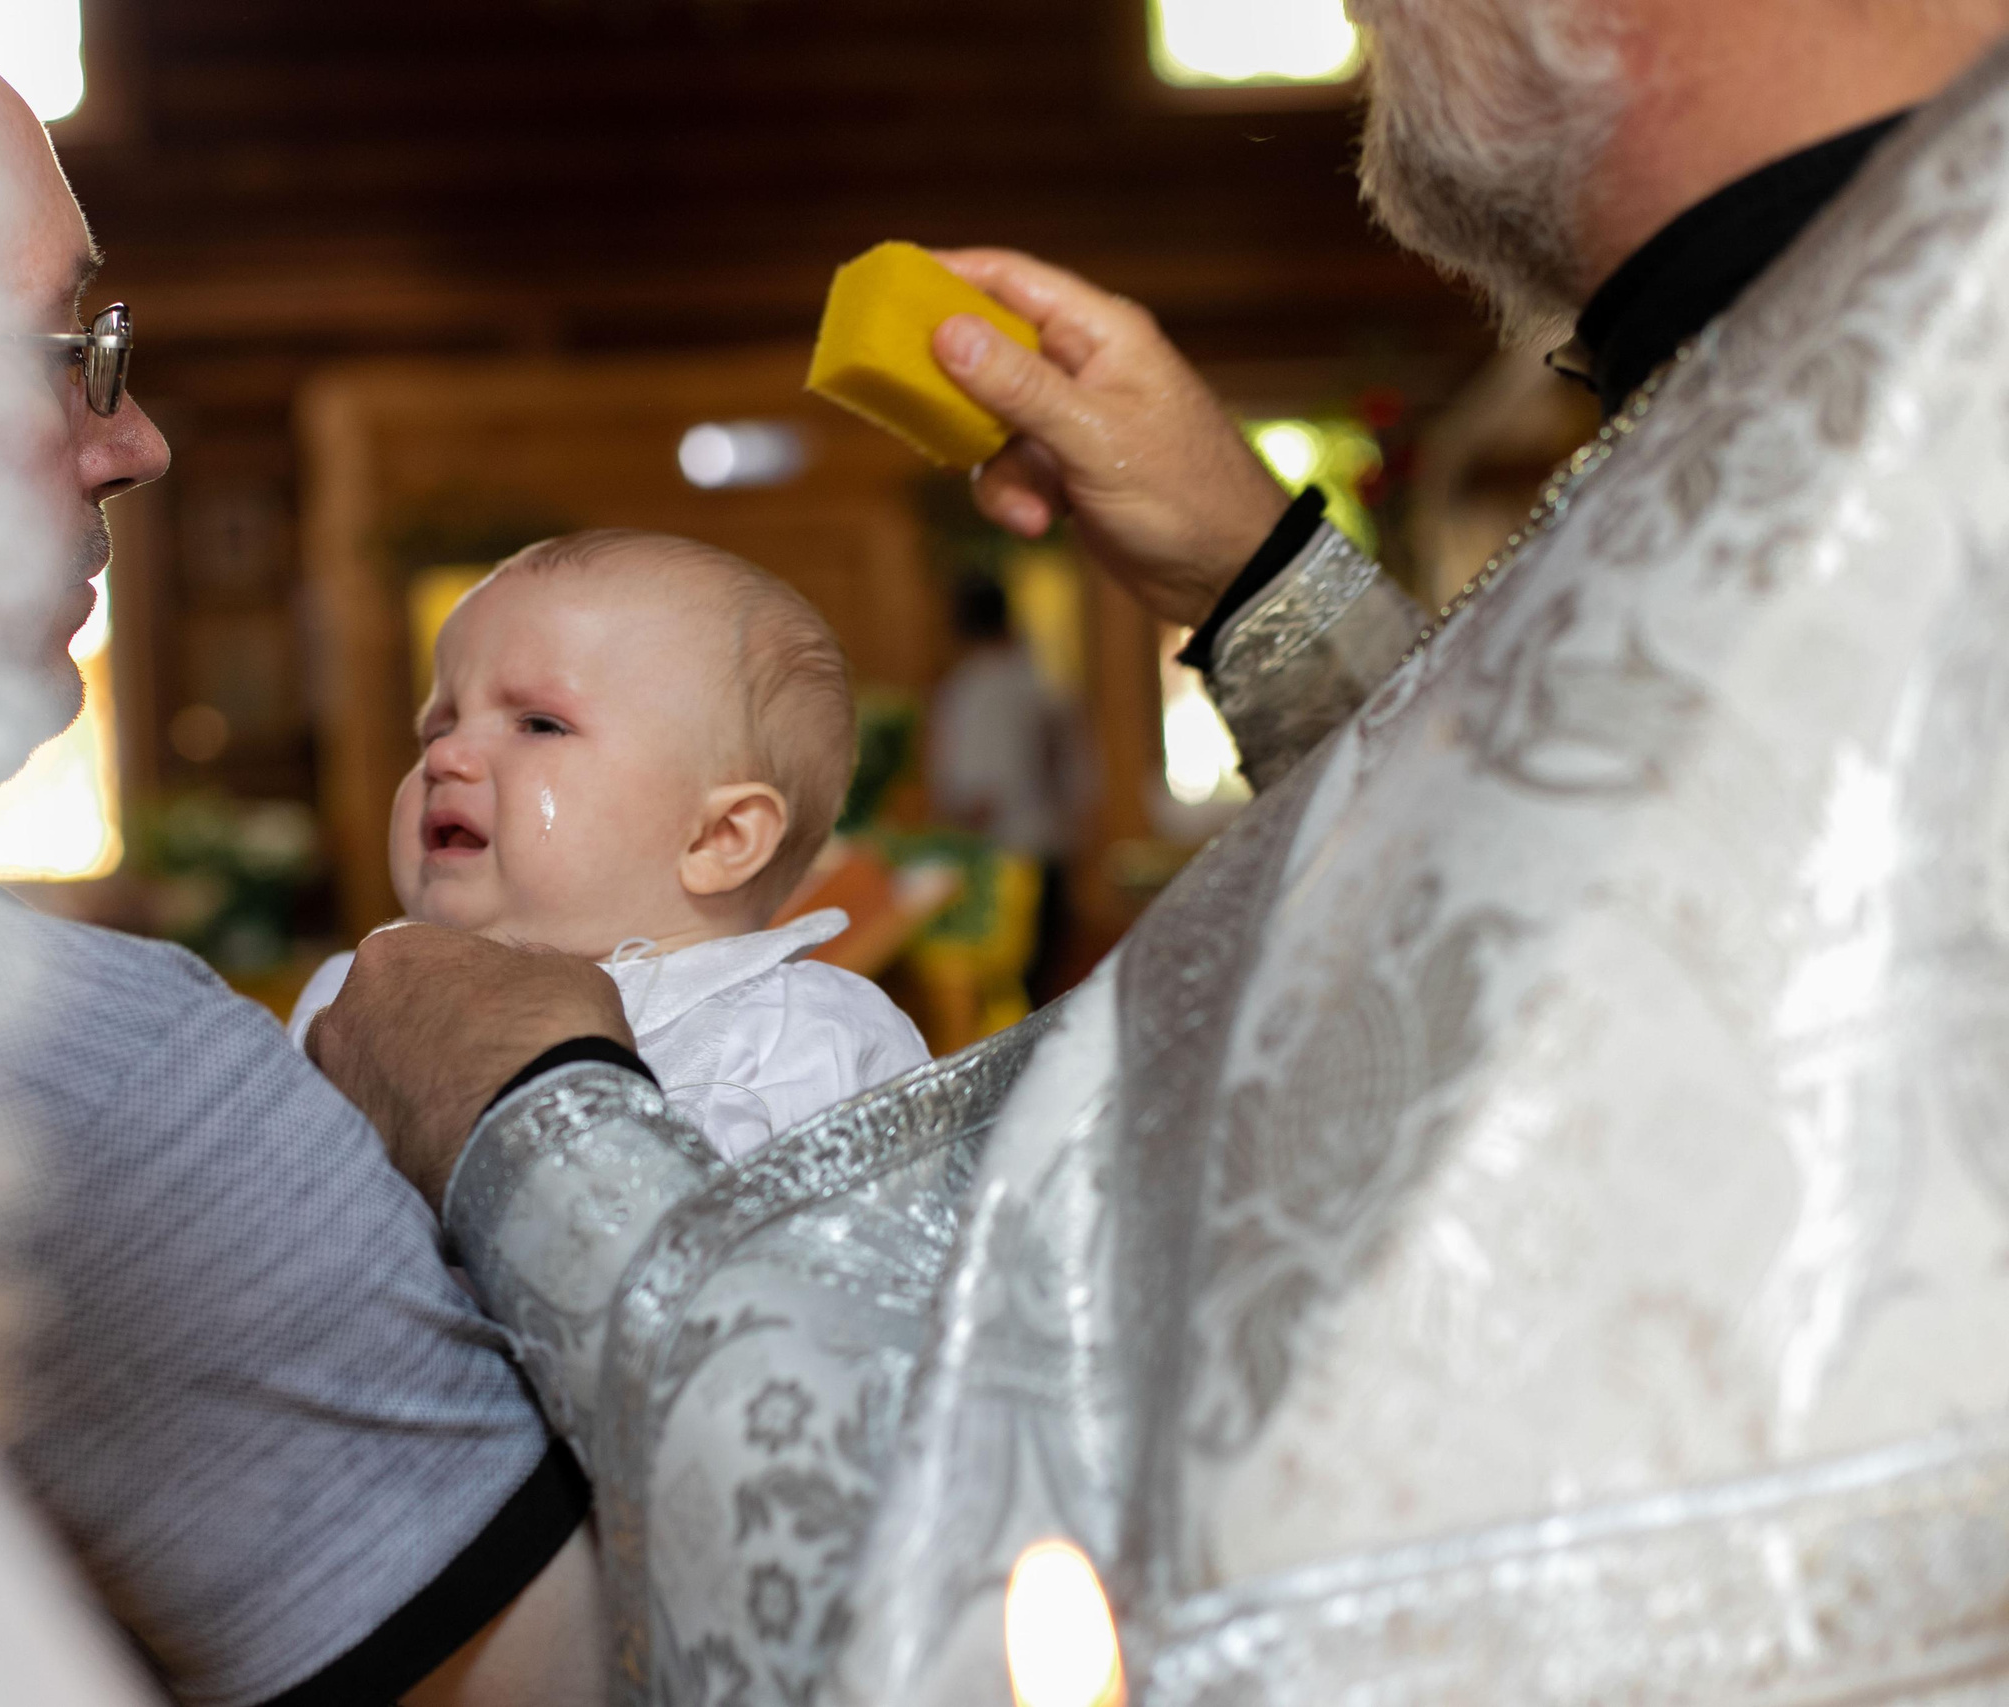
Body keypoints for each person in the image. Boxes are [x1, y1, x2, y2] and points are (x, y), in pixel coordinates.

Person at [310, 0, 2009, 1699]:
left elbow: (1158, 1574)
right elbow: (1565, 942)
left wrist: (535, 1126)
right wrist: (1263, 589)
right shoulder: (1845, 368)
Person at [0, 48, 604, 1707]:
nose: (135, 439)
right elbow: (624, 1672)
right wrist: (548, 1104)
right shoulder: (68, 1075)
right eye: (69, 352)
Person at [288, 531, 928, 1163]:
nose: (444, 756)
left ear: (717, 838)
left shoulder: (798, 1036)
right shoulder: (348, 1000)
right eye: (440, 724)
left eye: (539, 724)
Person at [924, 573, 1094, 1004]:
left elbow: (976, 795)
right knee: (1049, 982)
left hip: (1002, 860)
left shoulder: (971, 689)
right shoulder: (1041, 679)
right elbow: (1076, 770)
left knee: (1010, 990)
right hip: (1051, 842)